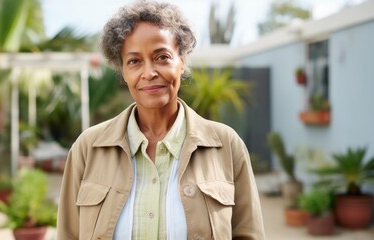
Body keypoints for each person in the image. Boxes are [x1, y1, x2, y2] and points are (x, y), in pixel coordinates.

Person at [57, 0, 265, 239]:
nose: (149, 73)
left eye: (162, 57)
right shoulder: (87, 148)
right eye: (134, 61)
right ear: (123, 71)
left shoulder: (227, 145)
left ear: (182, 62)